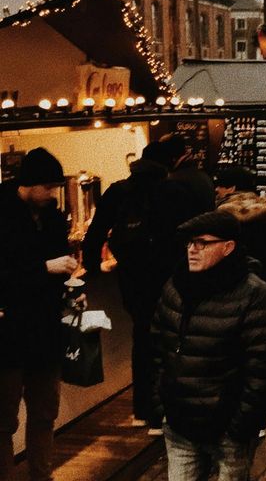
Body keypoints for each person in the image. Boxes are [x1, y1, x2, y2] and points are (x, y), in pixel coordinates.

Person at [151, 211, 266, 481]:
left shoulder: (255, 294)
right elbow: (156, 349)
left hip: (227, 428)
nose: (192, 250)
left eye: (202, 243)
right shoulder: (176, 286)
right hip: (179, 424)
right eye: (189, 243)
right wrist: (160, 404)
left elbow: (265, 368)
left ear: (228, 247)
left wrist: (241, 425)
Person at [82, 142, 195, 433]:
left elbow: (95, 234)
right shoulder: (174, 192)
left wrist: (93, 270)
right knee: (170, 342)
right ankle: (166, 413)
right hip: (169, 277)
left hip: (132, 279)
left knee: (142, 339)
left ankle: (142, 411)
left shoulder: (119, 191)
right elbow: (190, 235)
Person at [0, 149, 83, 481]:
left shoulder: (52, 216)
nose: (52, 194)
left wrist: (70, 282)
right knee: (4, 419)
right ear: (28, 183)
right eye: (47, 187)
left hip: (46, 330)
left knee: (45, 413)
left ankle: (42, 476)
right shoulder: (4, 215)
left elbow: (59, 260)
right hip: (8, 333)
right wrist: (44, 267)